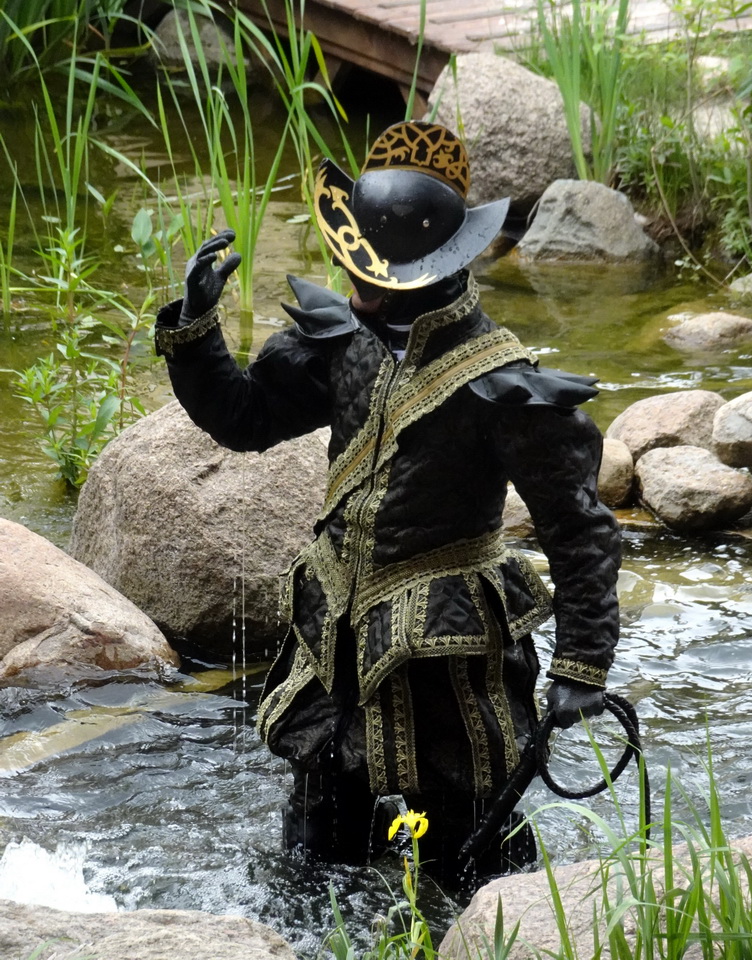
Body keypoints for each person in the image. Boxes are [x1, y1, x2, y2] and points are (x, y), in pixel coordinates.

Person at [154, 120, 622, 886]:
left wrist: (582, 666)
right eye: (353, 269)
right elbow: (246, 420)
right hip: (336, 643)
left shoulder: (501, 388)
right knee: (312, 860)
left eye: (370, 276)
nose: (353, 288)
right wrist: (198, 330)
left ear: (431, 270)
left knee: (465, 859)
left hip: (442, 658)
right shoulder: (344, 341)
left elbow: (579, 531)